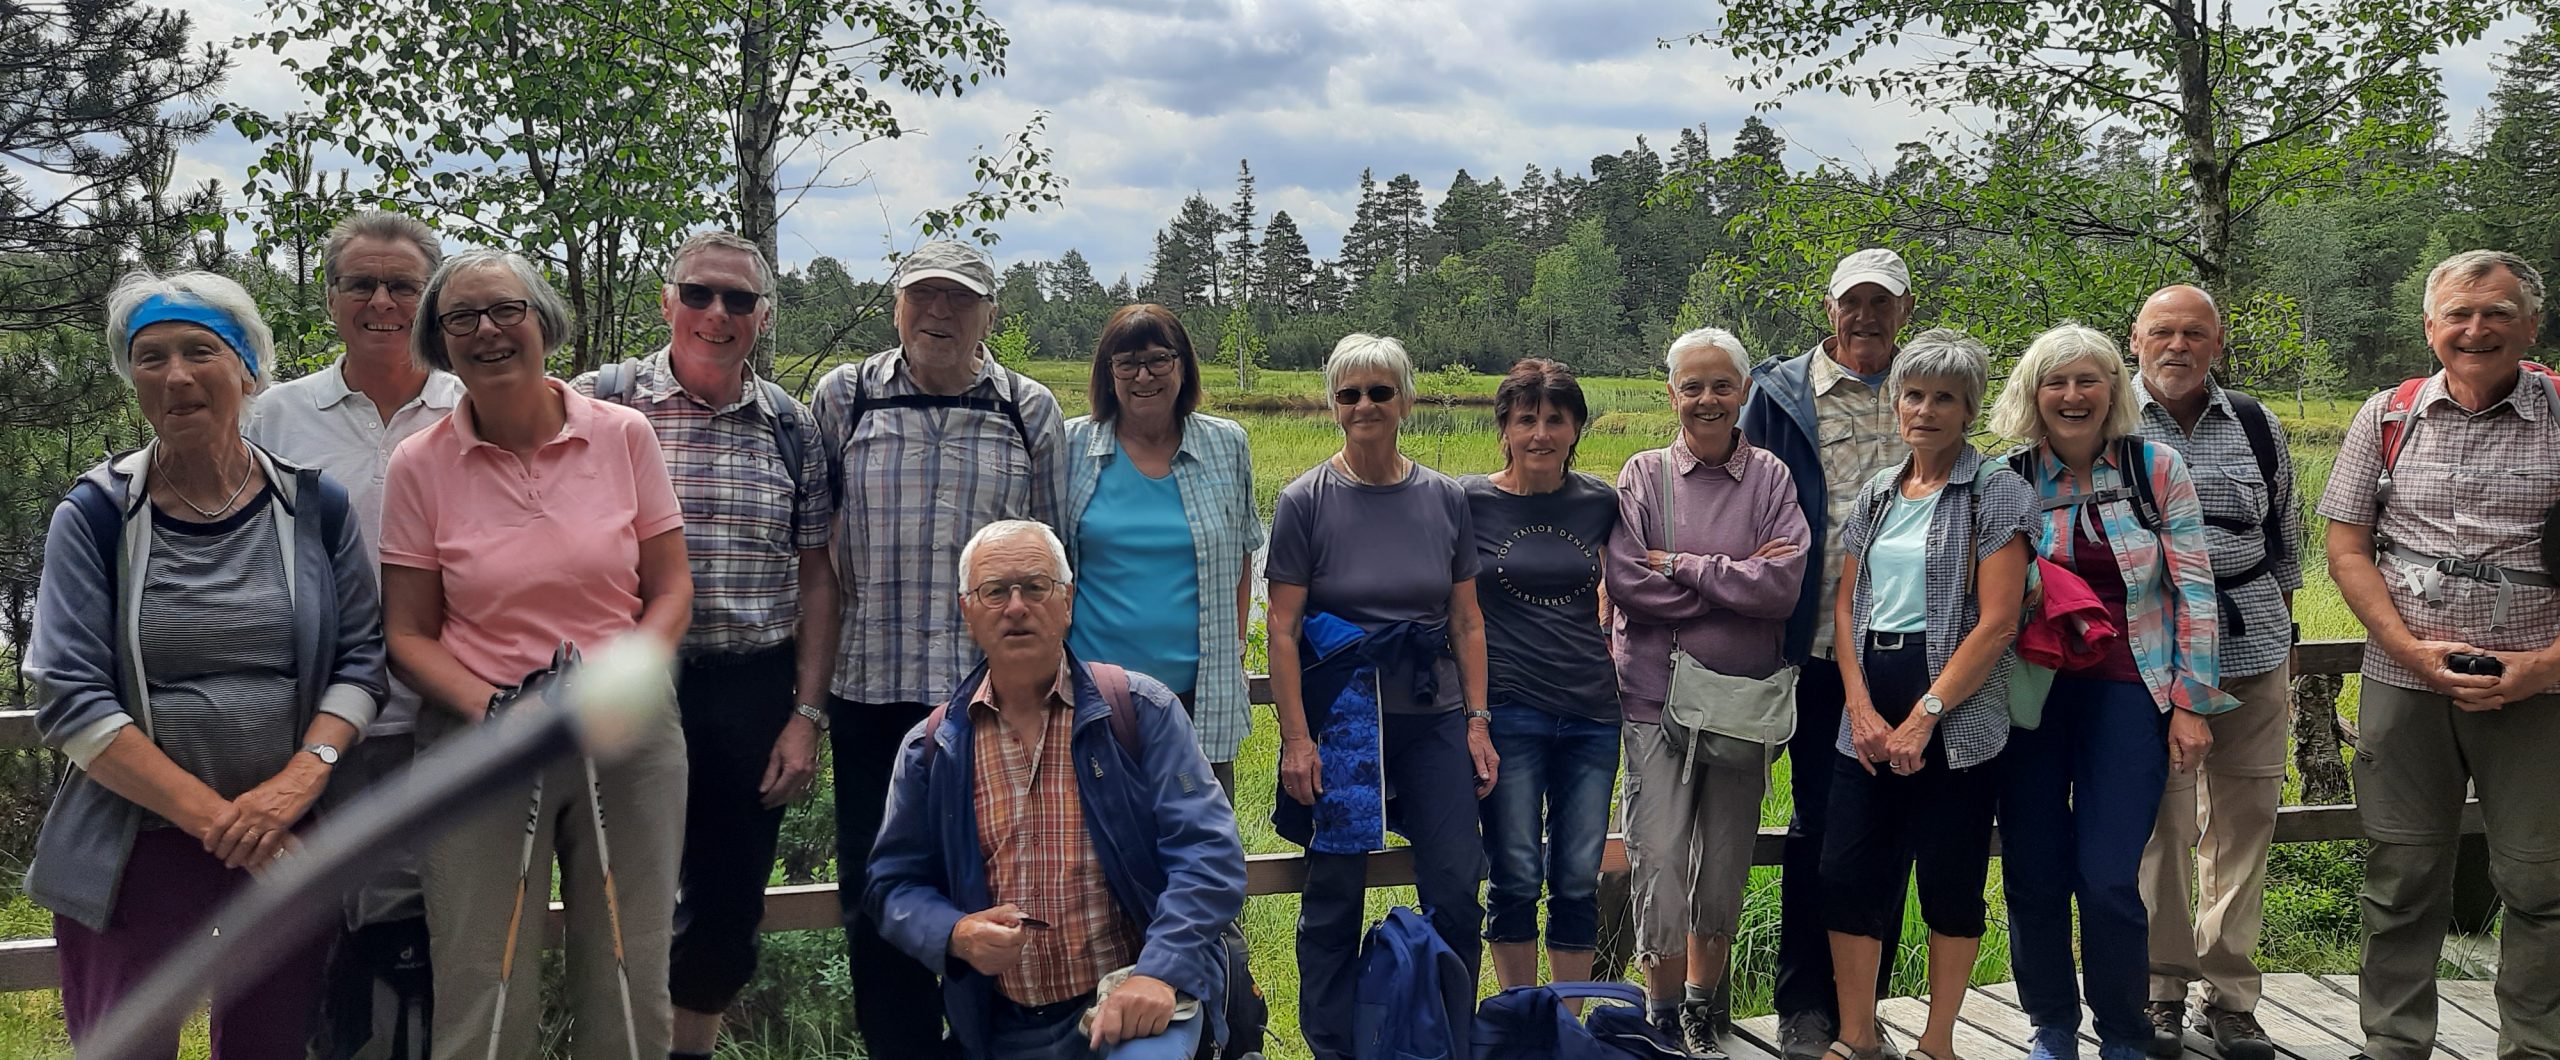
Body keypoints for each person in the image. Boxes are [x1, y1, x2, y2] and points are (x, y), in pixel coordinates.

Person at [28, 270, 385, 1055]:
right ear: (132, 381)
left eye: (200, 351)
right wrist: (226, 822)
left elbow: (362, 661)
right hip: (136, 844)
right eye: (149, 358)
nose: (176, 376)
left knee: (275, 1041)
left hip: (286, 831)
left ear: (250, 369)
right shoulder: (94, 516)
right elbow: (68, 696)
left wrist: (299, 780)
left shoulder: (315, 510)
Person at [378, 248, 694, 1059]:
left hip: (624, 728)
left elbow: (670, 590)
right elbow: (408, 632)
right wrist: (493, 706)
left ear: (542, 321)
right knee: (481, 976)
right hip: (481, 734)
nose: (486, 331)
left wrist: (626, 680)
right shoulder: (418, 464)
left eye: (505, 310)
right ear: (439, 340)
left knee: (628, 970)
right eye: (461, 318)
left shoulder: (623, 435)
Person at [570, 230, 835, 1060]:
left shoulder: (793, 429)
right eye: (699, 294)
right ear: (667, 301)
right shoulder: (598, 406)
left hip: (750, 685)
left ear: (764, 316)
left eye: (739, 300)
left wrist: (805, 715)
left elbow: (818, 580)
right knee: (609, 891)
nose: (716, 314)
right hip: (627, 681)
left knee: (726, 907)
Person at [808, 239, 1065, 1058]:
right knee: (878, 901)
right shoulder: (844, 398)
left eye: (961, 299)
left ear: (991, 313)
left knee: (996, 893)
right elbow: (812, 551)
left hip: (987, 704)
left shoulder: (1028, 409)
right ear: (897, 305)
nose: (940, 313)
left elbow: (1057, 566)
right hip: (870, 695)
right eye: (924, 295)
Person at [866, 519, 1245, 1060]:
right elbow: (891, 885)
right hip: (1004, 1023)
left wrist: (1159, 973)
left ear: (1067, 601)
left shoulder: (1138, 711)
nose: (1016, 606)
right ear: (967, 610)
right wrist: (957, 933)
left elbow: (1209, 853)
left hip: (1133, 1002)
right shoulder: (933, 748)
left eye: (1035, 587)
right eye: (995, 590)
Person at [2317, 250, 2560, 1060]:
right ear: (2430, 327)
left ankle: (2534, 1046)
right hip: (2404, 681)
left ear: (2531, 324)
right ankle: (2393, 1045)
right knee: (2401, 878)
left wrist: (2543, 668)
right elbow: (2347, 547)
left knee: (2540, 882)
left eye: (2495, 312)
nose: (2475, 328)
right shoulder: (2388, 416)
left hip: (2540, 689)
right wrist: (2410, 652)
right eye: (2457, 313)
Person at [1987, 323, 2235, 1060]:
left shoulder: (2156, 470)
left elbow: (2196, 590)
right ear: (2033, 395)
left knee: (2106, 875)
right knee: (2033, 870)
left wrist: (2192, 703)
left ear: (2113, 390)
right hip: (2032, 697)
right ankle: (2051, 1024)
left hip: (2131, 692)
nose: (2071, 395)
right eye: (2055, 382)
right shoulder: (2008, 480)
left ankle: (2123, 1030)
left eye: (2087, 380)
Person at [245, 208, 457, 1059]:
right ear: (329, 297)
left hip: (443, 720)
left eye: (402, 285)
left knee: (421, 950)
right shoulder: (273, 419)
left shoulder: (473, 405)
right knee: (300, 946)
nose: (380, 301)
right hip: (303, 727)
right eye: (359, 283)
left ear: (432, 300)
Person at [1267, 333, 1496, 1060]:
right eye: (1349, 393)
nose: (1365, 404)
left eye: (1379, 391)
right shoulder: (1305, 501)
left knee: (1458, 887)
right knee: (1332, 894)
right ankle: (1334, 1044)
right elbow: (1281, 628)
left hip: (1433, 715)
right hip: (1342, 719)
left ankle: (1444, 1036)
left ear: (1406, 399)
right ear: (1333, 405)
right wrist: (1297, 740)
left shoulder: (1443, 498)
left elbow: (1466, 619)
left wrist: (1478, 721)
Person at [1821, 329, 2032, 1060]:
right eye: (1914, 394)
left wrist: (1923, 718)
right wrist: (1858, 705)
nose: (1926, 410)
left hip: (1957, 709)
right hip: (1871, 699)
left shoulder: (1996, 490)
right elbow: (1850, 605)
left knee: (1949, 875)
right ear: (1897, 402)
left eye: (1945, 398)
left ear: (1969, 408)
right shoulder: (1880, 491)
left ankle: (1938, 1041)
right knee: (1847, 871)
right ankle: (1856, 1035)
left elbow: (2000, 620)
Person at [1604, 330, 1809, 1054]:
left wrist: (1686, 567)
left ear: (1744, 391)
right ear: (1672, 394)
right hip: (1654, 700)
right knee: (1656, 856)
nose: (1707, 400)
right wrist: (1732, 586)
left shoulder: (1773, 480)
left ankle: (1700, 1005)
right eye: (1692, 386)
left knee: (1723, 862)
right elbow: (1628, 580)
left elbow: (1783, 585)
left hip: (1741, 705)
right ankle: (1659, 1014)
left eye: (1721, 385)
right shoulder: (1642, 473)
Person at [1737, 248, 1919, 1059]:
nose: (1867, 317)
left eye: (1882, 303)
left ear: (1905, 311)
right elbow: (1738, 494)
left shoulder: (1928, 389)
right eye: (1855, 303)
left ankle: (1865, 1011)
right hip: (1812, 648)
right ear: (1829, 307)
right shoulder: (1781, 395)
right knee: (1819, 825)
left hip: (1913, 654)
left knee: (1895, 828)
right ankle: (1805, 1005)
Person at [2125, 286, 2301, 1060]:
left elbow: (2286, 539)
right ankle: (2162, 988)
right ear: (2134, 341)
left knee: (2244, 824)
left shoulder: (2258, 424)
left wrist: (2288, 639)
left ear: (2218, 344)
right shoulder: (2108, 420)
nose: (2177, 345)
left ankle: (2229, 997)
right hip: (2149, 657)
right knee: (2159, 828)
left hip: (2254, 648)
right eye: (2161, 331)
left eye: (2194, 333)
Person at [1463, 359, 1622, 1000]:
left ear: (1576, 427)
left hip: (1592, 712)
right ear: (1504, 426)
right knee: (1516, 872)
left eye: (1555, 419)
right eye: (1525, 418)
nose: (1540, 433)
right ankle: (1522, 1018)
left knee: (1579, 874)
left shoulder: (1600, 503)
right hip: (1509, 712)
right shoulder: (1468, 500)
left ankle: (1568, 1023)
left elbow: (1635, 582)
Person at [1058, 304, 1260, 794]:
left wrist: (1233, 647)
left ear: (1182, 364)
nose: (1142, 376)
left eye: (1157, 360)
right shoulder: (1069, 445)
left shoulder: (1226, 444)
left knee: (1201, 853)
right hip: (1095, 700)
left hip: (1199, 699)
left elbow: (1242, 554)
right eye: (1126, 363)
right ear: (1108, 374)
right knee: (1101, 854)